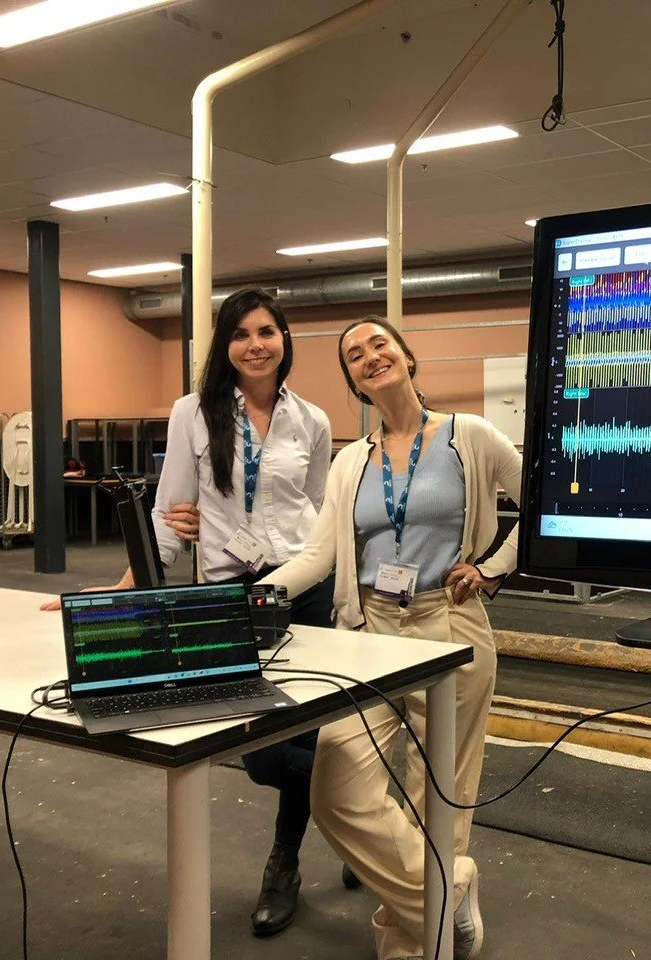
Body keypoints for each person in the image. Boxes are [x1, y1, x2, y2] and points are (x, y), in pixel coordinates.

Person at [43, 287, 359, 936]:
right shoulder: (194, 413)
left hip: (302, 593)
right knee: (260, 752)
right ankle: (366, 804)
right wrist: (122, 587)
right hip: (228, 597)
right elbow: (169, 512)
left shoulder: (315, 421)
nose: (255, 344)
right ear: (226, 344)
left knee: (300, 731)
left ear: (284, 339)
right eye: (241, 334)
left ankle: (285, 864)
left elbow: (322, 517)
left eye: (266, 331)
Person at [257, 315, 522, 960]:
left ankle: (409, 942)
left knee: (442, 799)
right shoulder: (351, 462)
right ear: (352, 380)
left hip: (449, 623)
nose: (369, 356)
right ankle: (448, 890)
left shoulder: (471, 436)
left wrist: (491, 569)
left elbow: (540, 505)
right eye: (354, 354)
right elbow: (318, 556)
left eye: (380, 344)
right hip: (371, 629)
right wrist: (255, 594)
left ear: (407, 358)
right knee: (336, 789)